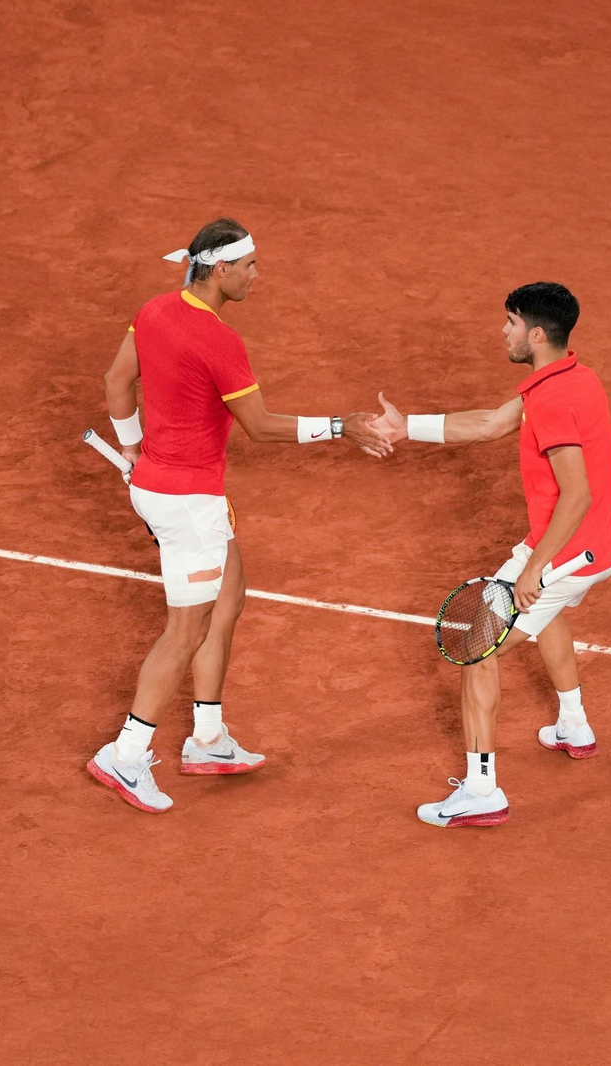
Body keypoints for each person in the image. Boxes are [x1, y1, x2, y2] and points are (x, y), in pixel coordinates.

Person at [90, 218, 390, 813]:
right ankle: (125, 754)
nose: (258, 275)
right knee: (186, 631)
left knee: (229, 596)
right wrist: (341, 426)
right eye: (250, 265)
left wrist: (129, 446)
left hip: (161, 486)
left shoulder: (153, 310)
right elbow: (260, 426)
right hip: (188, 504)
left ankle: (207, 738)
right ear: (220, 269)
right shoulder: (219, 341)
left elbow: (116, 380)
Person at [369, 282, 611, 828]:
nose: (502, 332)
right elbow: (490, 422)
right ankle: (573, 725)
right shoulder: (573, 378)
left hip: (566, 552)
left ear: (534, 333)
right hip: (600, 546)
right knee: (546, 616)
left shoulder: (552, 400)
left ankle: (482, 790)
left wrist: (535, 570)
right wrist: (405, 425)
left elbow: (574, 493)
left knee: (477, 644)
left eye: (509, 323)